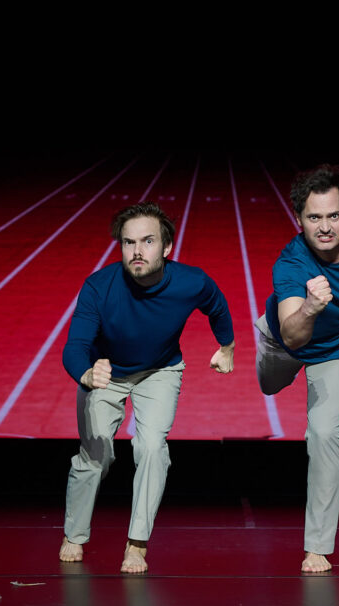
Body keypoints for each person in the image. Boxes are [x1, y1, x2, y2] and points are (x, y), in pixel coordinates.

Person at [59, 201, 235, 572]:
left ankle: (136, 543)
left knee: (153, 447)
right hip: (104, 370)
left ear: (167, 247)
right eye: (128, 242)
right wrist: (87, 374)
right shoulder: (99, 286)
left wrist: (227, 346)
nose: (137, 251)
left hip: (160, 370)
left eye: (147, 241)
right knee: (95, 455)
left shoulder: (191, 281)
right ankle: (74, 534)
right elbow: (74, 346)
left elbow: (217, 305)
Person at [255, 164, 339, 573]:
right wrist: (313, 306)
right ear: (299, 220)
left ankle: (317, 546)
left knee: (324, 430)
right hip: (285, 341)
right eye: (314, 217)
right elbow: (295, 337)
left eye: (333, 215)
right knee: (268, 387)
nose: (325, 227)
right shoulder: (291, 265)